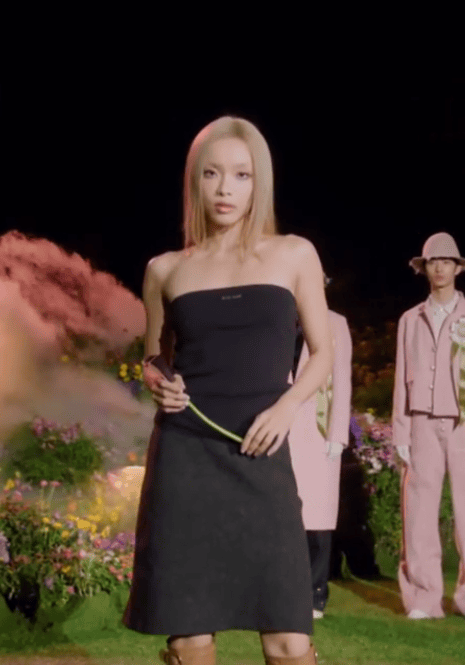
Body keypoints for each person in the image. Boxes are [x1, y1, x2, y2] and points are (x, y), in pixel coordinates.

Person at [122, 115, 333, 665]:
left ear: (259, 181)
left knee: (289, 640)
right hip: (186, 455)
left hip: (263, 453)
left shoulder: (294, 254)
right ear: (194, 181)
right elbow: (153, 356)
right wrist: (157, 380)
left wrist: (288, 407)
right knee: (190, 638)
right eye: (212, 174)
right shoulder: (165, 269)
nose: (225, 189)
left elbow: (323, 353)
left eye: (241, 175)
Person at [390, 231, 465, 622]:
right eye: (432, 262)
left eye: (446, 262)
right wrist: (401, 431)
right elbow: (402, 378)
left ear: (458, 268)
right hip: (422, 422)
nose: (439, 268)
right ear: (424, 269)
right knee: (419, 512)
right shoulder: (410, 320)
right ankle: (423, 597)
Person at [287, 284, 352, 620]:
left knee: (318, 514)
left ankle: (315, 593)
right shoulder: (277, 316)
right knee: (282, 511)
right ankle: (281, 587)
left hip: (317, 426)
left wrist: (338, 432)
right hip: (279, 424)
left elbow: (342, 377)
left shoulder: (335, 322)